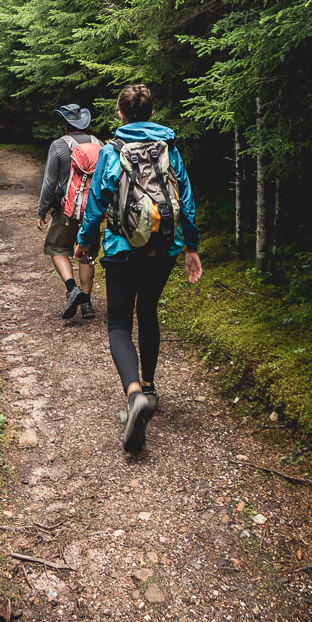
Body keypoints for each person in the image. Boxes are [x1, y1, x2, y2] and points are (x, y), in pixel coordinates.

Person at [75, 84, 202, 452]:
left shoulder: (112, 151)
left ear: (120, 114)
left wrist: (85, 241)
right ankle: (149, 386)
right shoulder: (169, 149)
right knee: (148, 312)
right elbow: (187, 200)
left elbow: (96, 203)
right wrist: (191, 246)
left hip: (120, 249)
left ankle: (134, 396)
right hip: (164, 249)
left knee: (118, 323)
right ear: (150, 113)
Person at [36, 103, 102, 320]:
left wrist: (42, 211)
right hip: (91, 212)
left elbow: (49, 183)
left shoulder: (58, 145)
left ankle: (72, 289)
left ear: (64, 124)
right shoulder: (99, 144)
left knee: (57, 248)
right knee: (87, 255)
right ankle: (87, 304)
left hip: (67, 210)